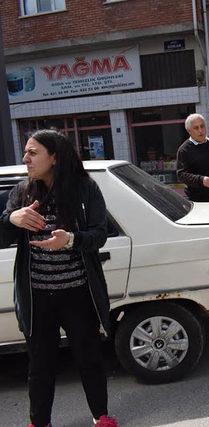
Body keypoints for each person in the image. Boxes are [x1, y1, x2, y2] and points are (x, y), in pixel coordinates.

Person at [0, 130, 118, 427]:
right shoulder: (22, 192)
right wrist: (10, 218)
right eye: (25, 153)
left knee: (88, 359)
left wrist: (69, 240)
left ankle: (100, 417)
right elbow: (3, 233)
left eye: (32, 152)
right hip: (37, 297)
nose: (25, 159)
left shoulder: (85, 189)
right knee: (40, 365)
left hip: (78, 293)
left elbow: (100, 235)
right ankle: (39, 422)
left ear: (54, 157)